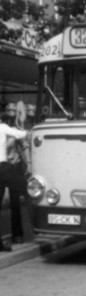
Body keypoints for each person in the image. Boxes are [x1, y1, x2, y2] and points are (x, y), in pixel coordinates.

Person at [0, 103, 30, 252]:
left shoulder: (9, 128)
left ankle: (17, 235)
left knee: (15, 202)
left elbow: (23, 144)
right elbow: (23, 135)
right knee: (28, 191)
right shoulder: (4, 128)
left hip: (13, 167)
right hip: (5, 168)